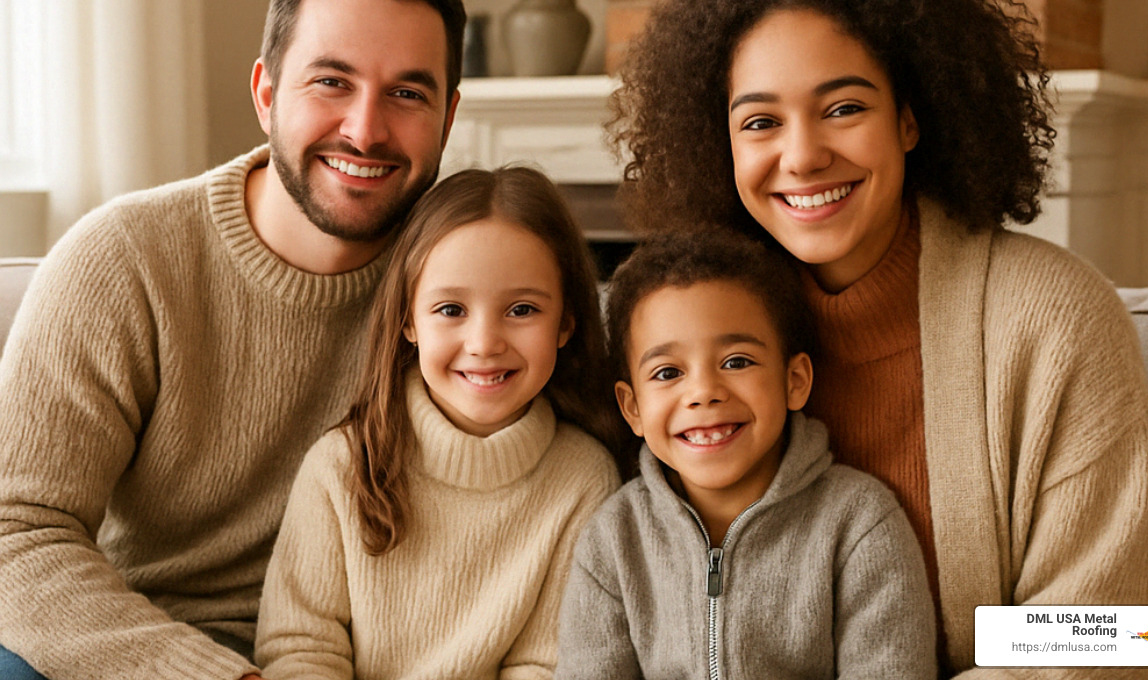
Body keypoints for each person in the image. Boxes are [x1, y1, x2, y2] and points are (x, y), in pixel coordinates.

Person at [610, 0, 1148, 677]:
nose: (804, 156)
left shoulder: (1056, 319)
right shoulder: (677, 348)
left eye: (844, 108)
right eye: (760, 122)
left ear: (910, 117)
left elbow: (1116, 630)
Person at [0, 0, 465, 678]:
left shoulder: (472, 287)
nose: (365, 131)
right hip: (137, 640)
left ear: (447, 118)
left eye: (406, 93)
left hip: (356, 654)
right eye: (331, 82)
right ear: (266, 94)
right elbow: (16, 531)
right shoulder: (123, 261)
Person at [254, 166, 623, 679]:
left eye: (521, 309)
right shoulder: (340, 466)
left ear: (565, 322)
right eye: (451, 309)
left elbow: (544, 665)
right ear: (409, 320)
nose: (484, 343)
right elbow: (300, 649)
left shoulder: (584, 478)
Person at [555, 228, 936, 679]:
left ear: (794, 380)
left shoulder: (859, 523)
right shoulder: (613, 541)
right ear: (632, 408)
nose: (703, 392)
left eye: (736, 362)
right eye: (667, 372)